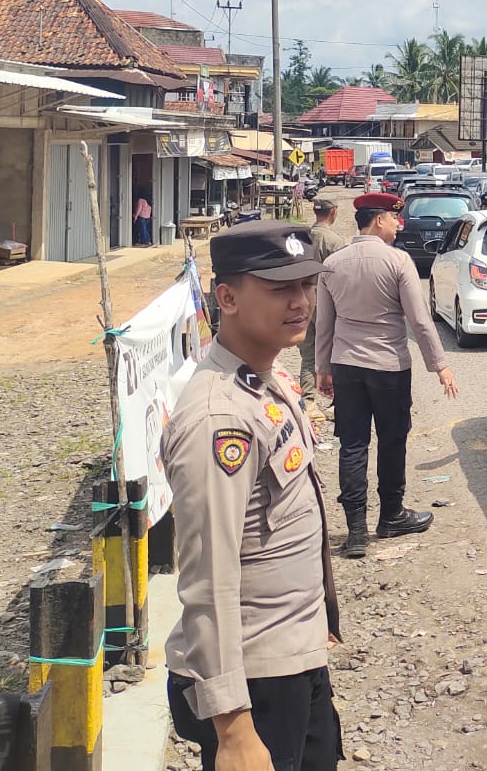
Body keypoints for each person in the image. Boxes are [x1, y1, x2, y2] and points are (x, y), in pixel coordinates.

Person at [163, 220, 343, 771]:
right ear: (228, 298)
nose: (301, 302)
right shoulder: (218, 418)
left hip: (292, 653)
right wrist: (233, 727)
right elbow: (208, 577)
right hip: (256, 680)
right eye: (280, 288)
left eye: (307, 285)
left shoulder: (265, 377)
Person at [315, 192, 459, 559]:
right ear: (378, 220)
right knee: (392, 441)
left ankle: (356, 531)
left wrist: (322, 369)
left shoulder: (332, 264)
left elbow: (324, 324)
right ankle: (391, 516)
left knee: (352, 444)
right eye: (395, 218)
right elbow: (420, 320)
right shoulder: (398, 261)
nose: (399, 224)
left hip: (346, 366)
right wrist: (440, 365)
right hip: (389, 367)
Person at [297, 198, 348, 416]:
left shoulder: (300, 240)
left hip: (303, 301)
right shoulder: (335, 241)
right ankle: (338, 403)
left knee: (309, 352)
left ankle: (308, 401)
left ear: (314, 211)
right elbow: (342, 276)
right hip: (328, 302)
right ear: (334, 212)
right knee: (334, 352)